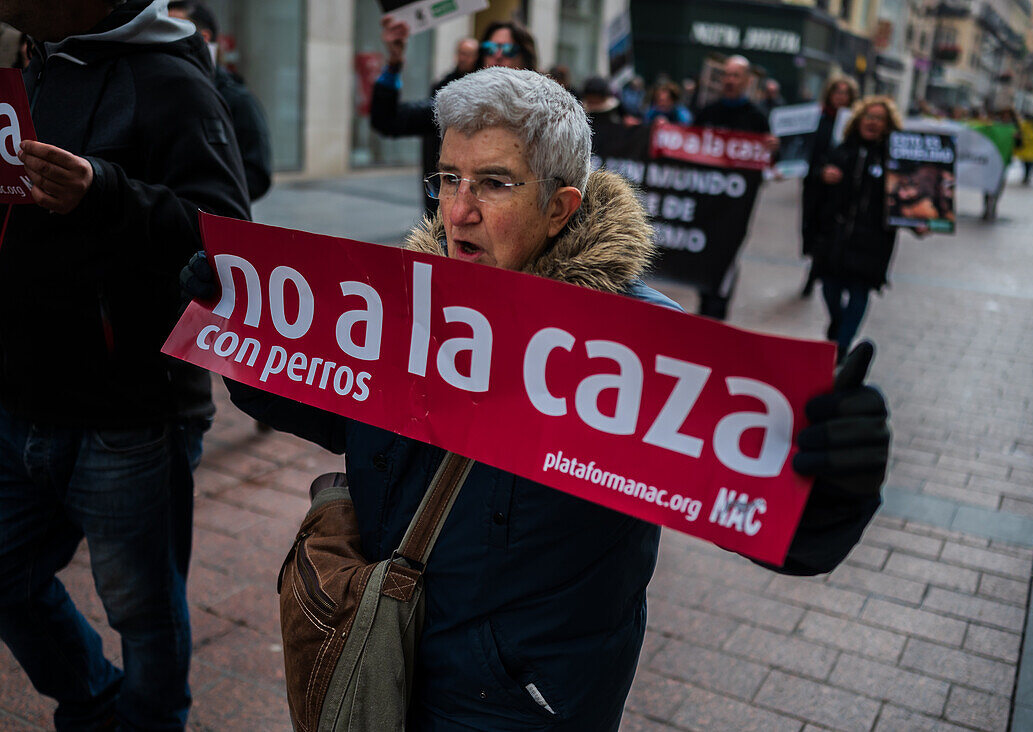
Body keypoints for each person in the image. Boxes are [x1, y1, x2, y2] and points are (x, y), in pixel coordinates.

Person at [183, 67, 887, 730]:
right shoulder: (404, 304)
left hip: (523, 702)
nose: (458, 211)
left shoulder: (640, 348)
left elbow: (785, 531)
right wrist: (241, 322)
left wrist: (835, 480)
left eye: (493, 183)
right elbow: (326, 404)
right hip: (381, 656)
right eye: (448, 178)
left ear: (560, 207)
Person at [0, 0, 249, 730]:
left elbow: (227, 242)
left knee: (142, 611)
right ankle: (95, 702)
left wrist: (102, 192)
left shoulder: (171, 82)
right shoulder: (31, 68)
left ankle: (149, 717)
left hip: (130, 417)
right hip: (18, 403)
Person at [370, 16, 537, 214]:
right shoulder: (455, 106)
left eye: (508, 50)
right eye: (490, 49)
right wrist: (394, 63)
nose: (498, 56)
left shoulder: (540, 115)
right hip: (449, 226)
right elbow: (387, 120)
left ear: (525, 58)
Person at [813, 96, 915, 360]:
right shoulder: (842, 150)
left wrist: (917, 223)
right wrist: (823, 175)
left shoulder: (896, 161)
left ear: (887, 125)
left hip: (873, 240)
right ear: (859, 120)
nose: (872, 122)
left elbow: (908, 199)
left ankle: (842, 348)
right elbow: (813, 180)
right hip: (836, 235)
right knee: (829, 288)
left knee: (859, 292)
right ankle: (838, 325)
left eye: (879, 118)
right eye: (868, 116)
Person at [693, 54, 779, 320]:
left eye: (735, 76)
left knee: (727, 255)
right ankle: (704, 304)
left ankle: (717, 312)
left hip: (736, 206)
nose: (729, 80)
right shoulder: (708, 113)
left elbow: (771, 161)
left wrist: (773, 150)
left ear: (747, 81)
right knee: (703, 252)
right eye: (726, 75)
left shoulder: (757, 118)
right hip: (706, 199)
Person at [168, 0, 272, 202]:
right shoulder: (164, 89)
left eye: (173, 28)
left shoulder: (238, 99)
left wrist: (208, 199)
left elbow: (257, 175)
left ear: (203, 38)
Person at [800, 75, 858, 298]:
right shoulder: (818, 119)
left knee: (828, 234)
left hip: (840, 191)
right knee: (812, 228)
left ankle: (816, 274)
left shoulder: (854, 124)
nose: (840, 97)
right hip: (816, 186)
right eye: (837, 92)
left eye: (845, 93)